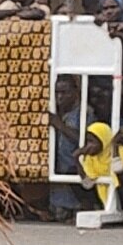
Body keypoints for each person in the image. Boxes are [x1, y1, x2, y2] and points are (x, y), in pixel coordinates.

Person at [48, 76, 87, 222]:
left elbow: (87, 140)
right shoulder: (56, 112)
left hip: (74, 167)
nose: (60, 97)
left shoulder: (84, 114)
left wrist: (60, 126)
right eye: (57, 93)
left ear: (76, 93)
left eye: (65, 93)